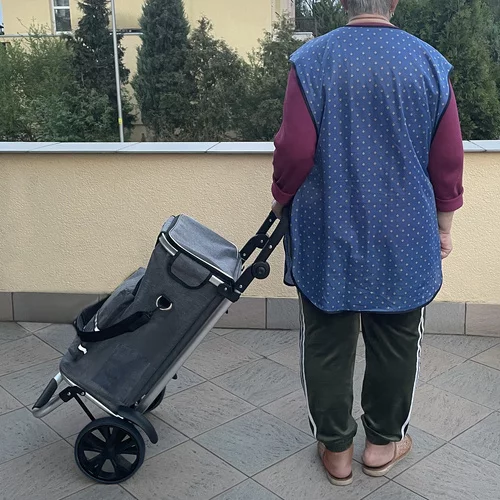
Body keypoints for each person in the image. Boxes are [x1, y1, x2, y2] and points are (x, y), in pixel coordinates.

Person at [271, 0, 464, 486]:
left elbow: (295, 149)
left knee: (326, 341)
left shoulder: (311, 61)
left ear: (343, 2)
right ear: (393, 2)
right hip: (405, 233)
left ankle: (336, 450)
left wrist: (281, 196)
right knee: (397, 341)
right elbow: (447, 159)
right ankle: (382, 445)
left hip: (328, 228)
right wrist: (444, 225)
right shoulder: (429, 63)